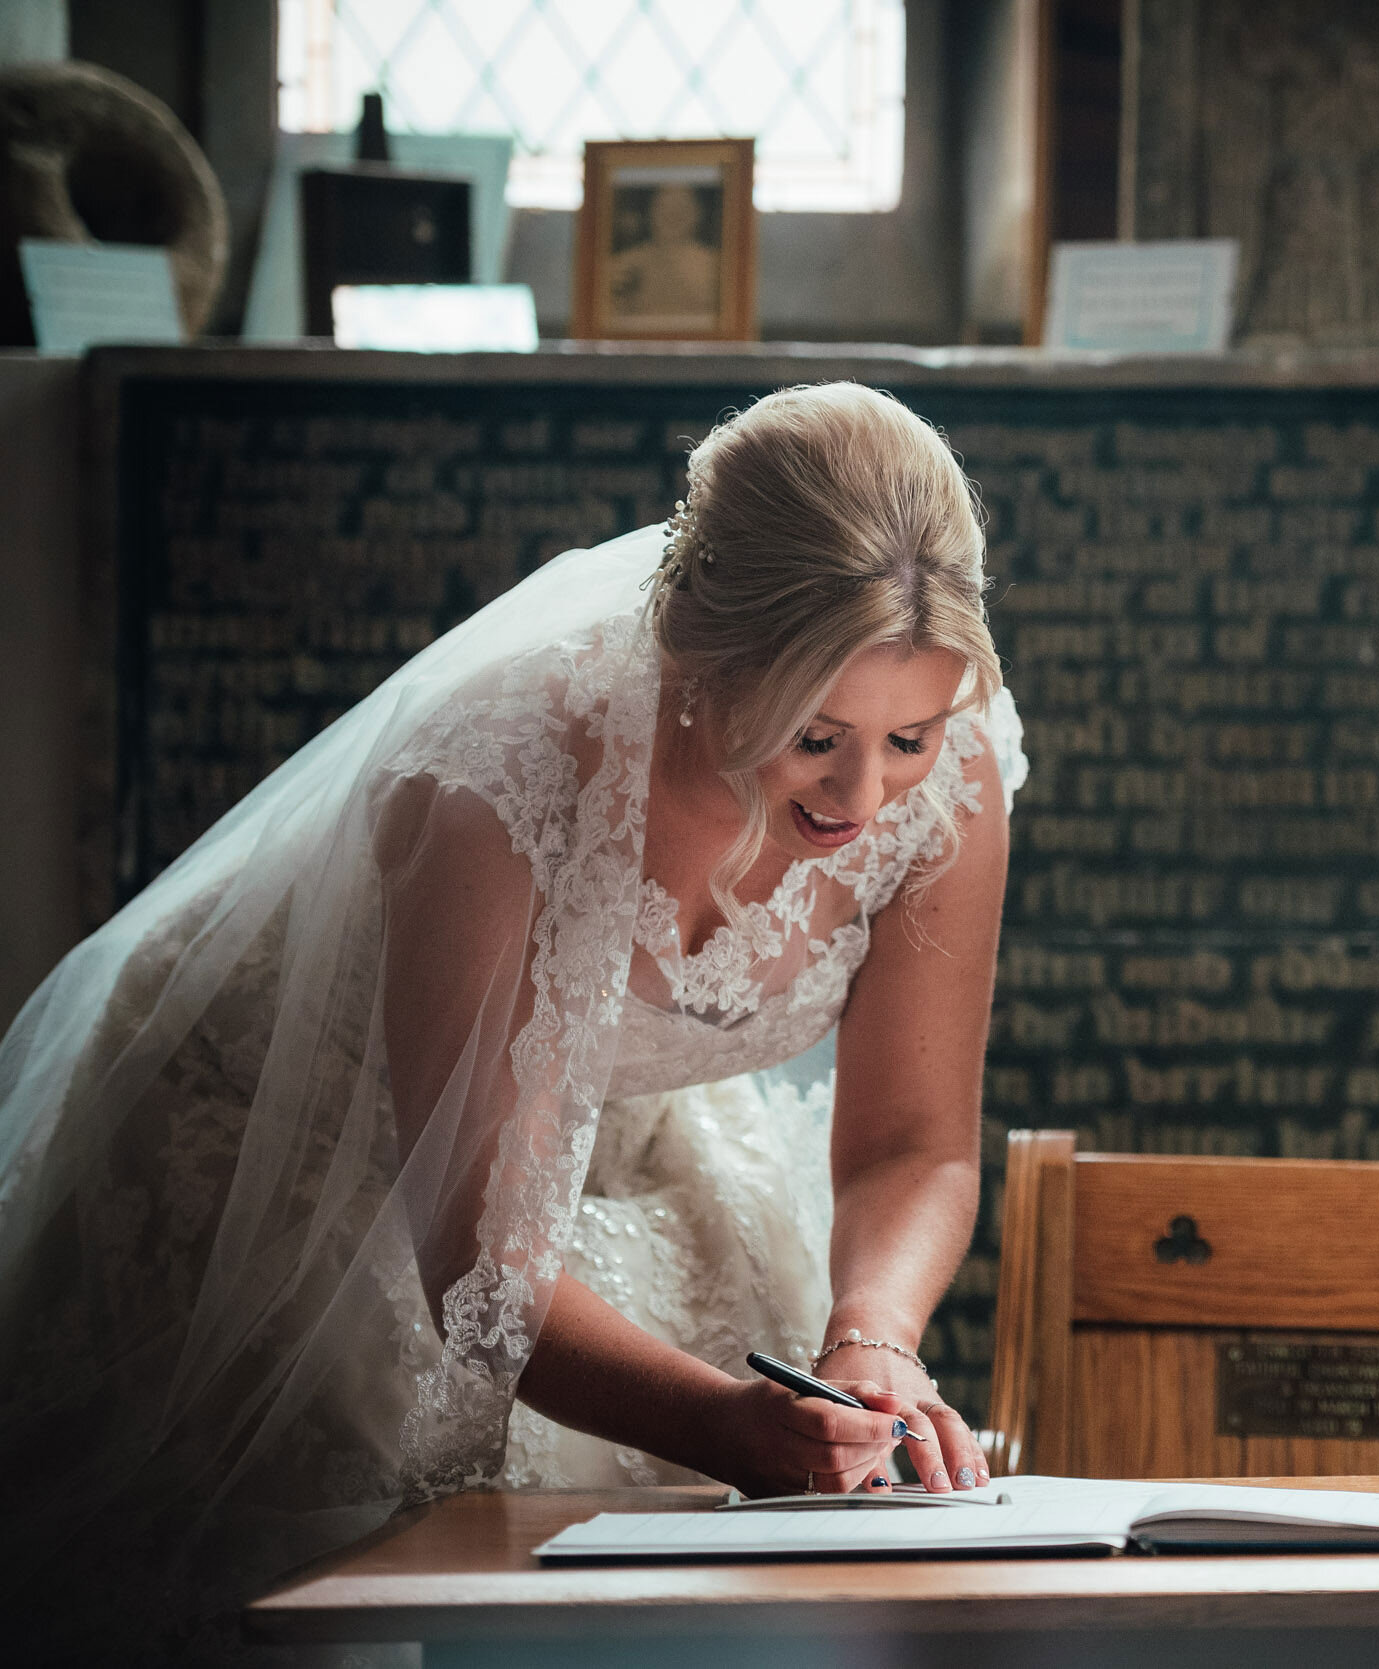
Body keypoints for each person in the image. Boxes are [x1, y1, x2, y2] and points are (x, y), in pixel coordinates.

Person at [0, 382, 1025, 1658]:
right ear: (703, 654)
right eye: (815, 736)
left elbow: (912, 1142)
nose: (865, 794)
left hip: (596, 1134)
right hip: (283, 1142)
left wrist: (873, 1342)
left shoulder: (954, 779)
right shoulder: (505, 771)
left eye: (908, 737)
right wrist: (720, 1424)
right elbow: (486, 1274)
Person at [608, 181, 722, 322]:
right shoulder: (624, 263)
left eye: (681, 208)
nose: (672, 215)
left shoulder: (716, 265)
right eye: (664, 207)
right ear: (650, 212)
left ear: (698, 214)